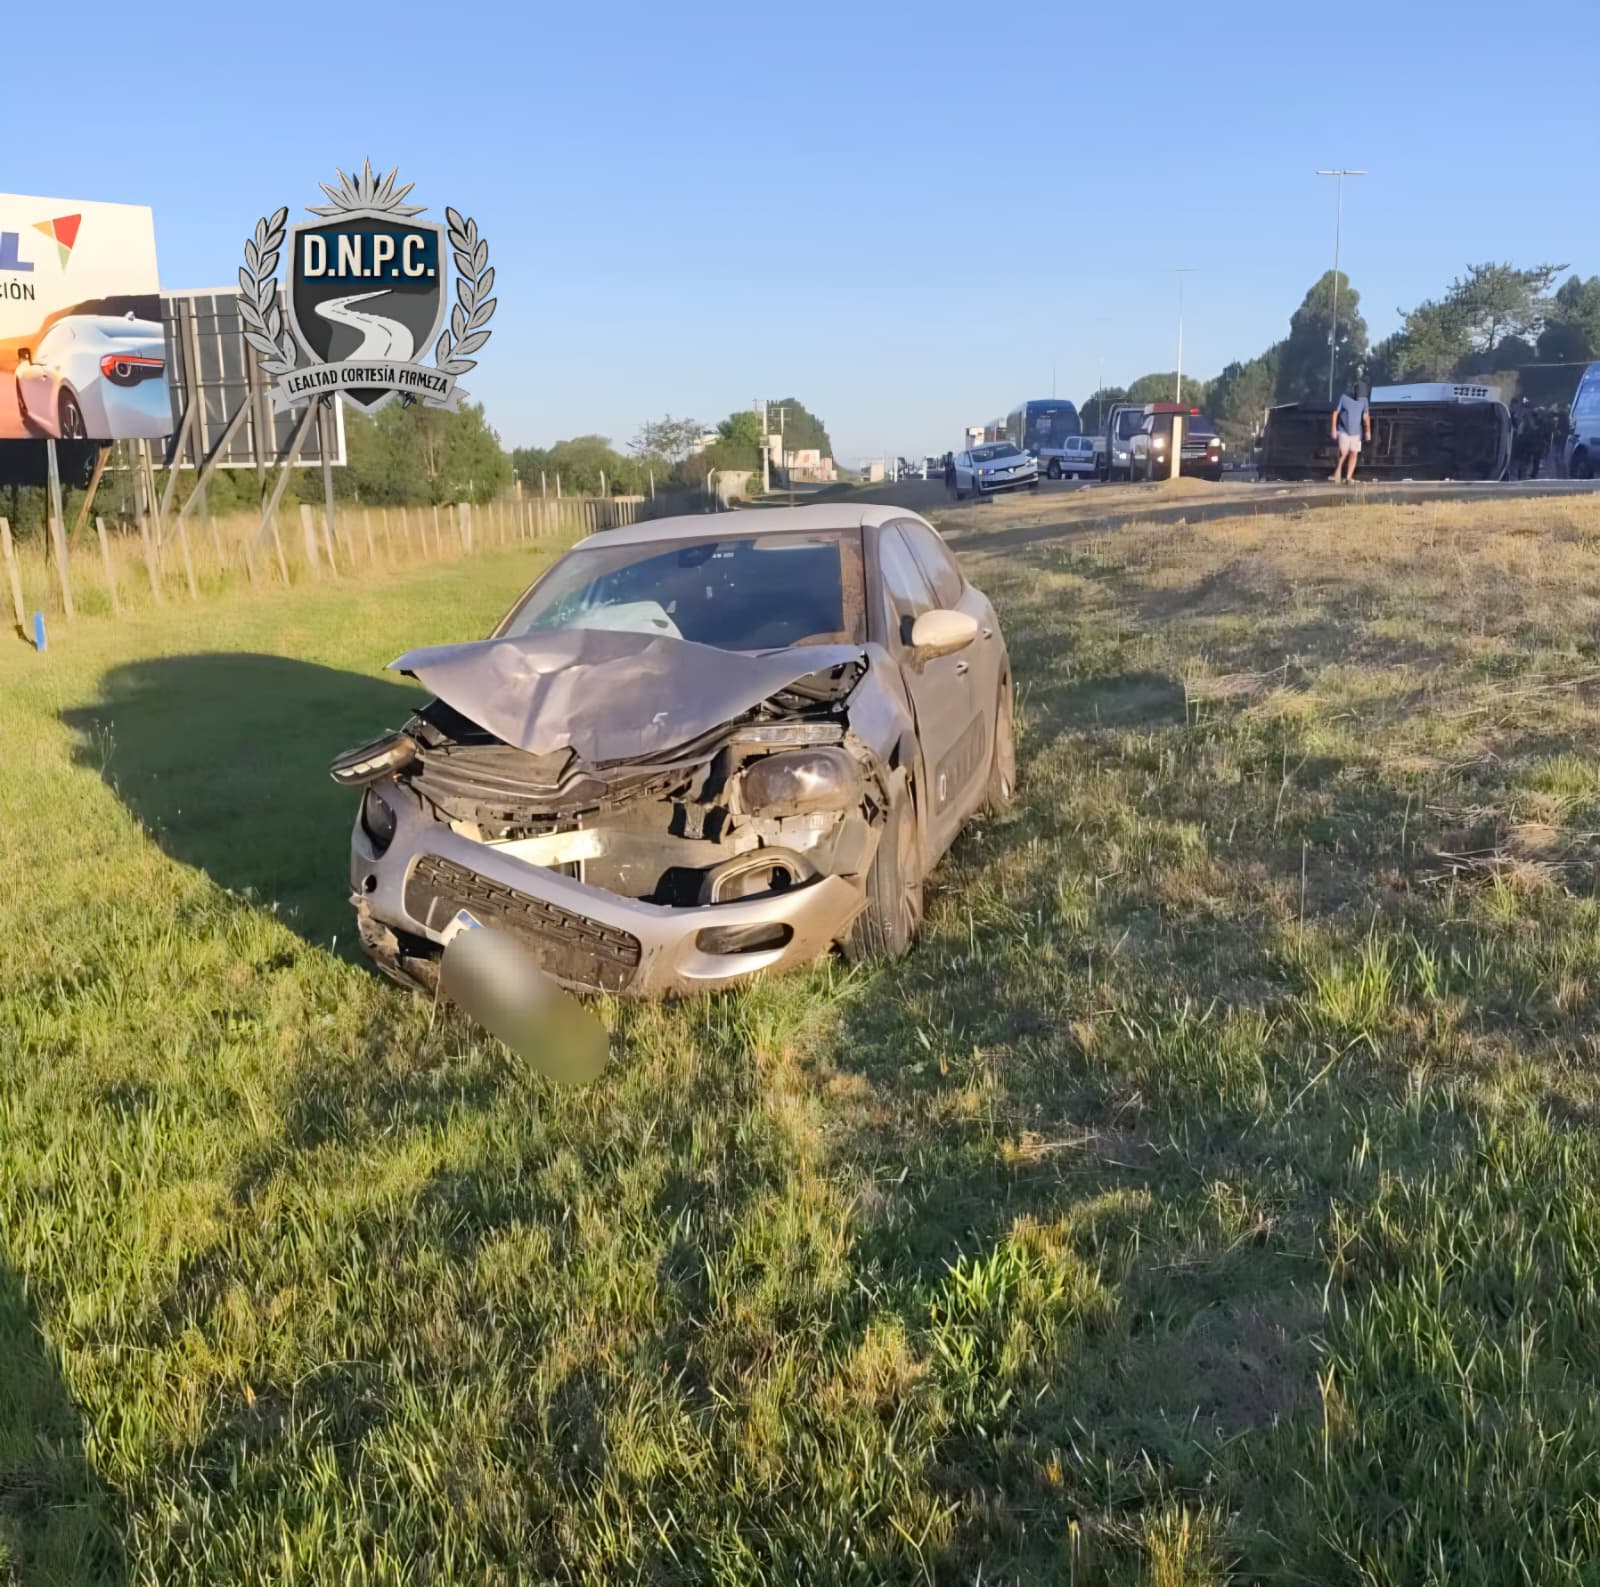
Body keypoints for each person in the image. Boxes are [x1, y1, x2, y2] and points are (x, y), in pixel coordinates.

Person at [1330, 375, 1371, 483]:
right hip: (1344, 430)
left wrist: (1368, 430)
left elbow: (1366, 416)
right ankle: (1337, 474)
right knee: (1344, 453)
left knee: (1354, 453)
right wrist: (1334, 429)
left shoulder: (1364, 400)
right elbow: (1335, 413)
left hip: (1356, 432)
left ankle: (1348, 477)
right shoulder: (1343, 398)